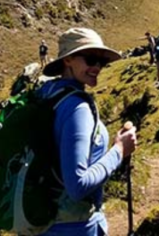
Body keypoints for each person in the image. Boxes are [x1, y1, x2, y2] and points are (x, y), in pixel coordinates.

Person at [39, 28, 137, 235]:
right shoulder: (77, 108)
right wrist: (120, 150)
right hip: (75, 226)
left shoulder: (47, 94)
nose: (97, 67)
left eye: (102, 62)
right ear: (68, 60)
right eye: (91, 59)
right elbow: (78, 186)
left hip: (43, 222)